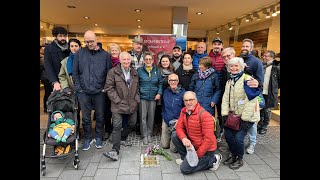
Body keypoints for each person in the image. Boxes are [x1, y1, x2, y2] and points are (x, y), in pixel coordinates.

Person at [72, 30, 112, 150]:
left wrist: (105, 88)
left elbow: (109, 73)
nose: (89, 43)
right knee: (85, 117)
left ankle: (99, 137)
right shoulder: (79, 54)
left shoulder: (105, 55)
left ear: (97, 39)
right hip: (84, 92)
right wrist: (79, 89)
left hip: (100, 92)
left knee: (100, 116)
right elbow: (75, 73)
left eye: (91, 41)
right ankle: (88, 138)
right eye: (87, 41)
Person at [221, 57, 260, 170]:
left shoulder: (248, 80)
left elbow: (251, 101)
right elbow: (225, 98)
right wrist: (224, 114)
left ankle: (239, 159)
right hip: (233, 116)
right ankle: (233, 156)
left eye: (236, 66)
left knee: (238, 138)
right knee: (228, 136)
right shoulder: (230, 81)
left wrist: (245, 119)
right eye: (231, 66)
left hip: (247, 117)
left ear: (242, 67)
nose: (233, 68)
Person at [172, 91, 222, 174]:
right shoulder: (184, 111)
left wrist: (197, 155)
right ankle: (186, 158)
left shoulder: (205, 115)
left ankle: (214, 159)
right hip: (194, 145)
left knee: (185, 169)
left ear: (196, 100)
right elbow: (179, 127)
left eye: (191, 100)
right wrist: (184, 138)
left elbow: (208, 140)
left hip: (206, 150)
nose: (188, 102)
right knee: (175, 136)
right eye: (186, 100)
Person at [103, 52, 140, 161]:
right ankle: (115, 150)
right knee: (117, 126)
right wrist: (117, 100)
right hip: (118, 105)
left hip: (132, 104)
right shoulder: (113, 72)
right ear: (120, 60)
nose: (126, 61)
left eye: (128, 59)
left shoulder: (134, 71)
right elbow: (108, 88)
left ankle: (122, 138)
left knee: (132, 123)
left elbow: (137, 87)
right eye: (124, 59)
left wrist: (137, 98)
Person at [239, 38, 264, 155]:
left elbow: (260, 81)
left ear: (251, 48)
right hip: (239, 95)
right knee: (241, 118)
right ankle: (241, 140)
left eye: (247, 46)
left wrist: (252, 80)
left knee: (252, 121)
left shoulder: (256, 62)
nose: (244, 48)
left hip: (251, 96)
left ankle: (252, 142)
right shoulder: (238, 60)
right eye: (243, 46)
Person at [137, 52, 163, 145]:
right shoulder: (139, 70)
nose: (148, 61)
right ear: (143, 61)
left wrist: (159, 93)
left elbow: (160, 83)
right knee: (143, 117)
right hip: (142, 97)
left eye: (150, 59)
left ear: (153, 60)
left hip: (153, 97)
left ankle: (149, 134)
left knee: (151, 117)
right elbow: (136, 84)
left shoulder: (157, 70)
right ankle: (144, 135)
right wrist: (138, 94)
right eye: (146, 59)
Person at [58, 38, 82, 136]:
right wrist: (65, 87)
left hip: (84, 90)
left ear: (80, 47)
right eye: (72, 46)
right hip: (71, 91)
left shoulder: (84, 59)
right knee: (74, 111)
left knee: (86, 112)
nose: (74, 48)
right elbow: (62, 76)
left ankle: (87, 131)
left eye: (76, 46)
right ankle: (75, 131)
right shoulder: (65, 61)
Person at [161, 73, 186, 152]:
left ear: (178, 81)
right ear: (168, 81)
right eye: (171, 80)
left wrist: (180, 121)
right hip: (166, 120)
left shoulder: (183, 93)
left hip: (177, 121)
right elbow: (163, 106)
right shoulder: (165, 92)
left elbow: (186, 109)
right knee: (164, 146)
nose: (173, 82)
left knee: (173, 149)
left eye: (175, 80)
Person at [258, 50, 280, 135]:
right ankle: (260, 124)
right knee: (260, 108)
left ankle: (265, 126)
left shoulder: (276, 66)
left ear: (271, 57)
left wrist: (274, 88)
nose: (263, 57)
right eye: (263, 56)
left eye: (266, 56)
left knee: (267, 110)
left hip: (270, 93)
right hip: (261, 92)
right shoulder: (262, 65)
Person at [104, 43, 122, 141]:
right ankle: (108, 129)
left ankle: (117, 129)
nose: (114, 52)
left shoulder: (122, 62)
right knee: (107, 111)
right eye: (112, 50)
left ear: (119, 52)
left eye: (116, 50)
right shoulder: (106, 61)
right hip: (109, 89)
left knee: (118, 111)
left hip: (119, 90)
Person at [44, 26, 70, 92]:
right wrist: (54, 81)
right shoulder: (49, 48)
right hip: (53, 80)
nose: (63, 38)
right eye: (60, 36)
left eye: (64, 36)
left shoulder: (69, 47)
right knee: (52, 99)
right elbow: (48, 65)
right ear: (55, 37)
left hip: (65, 80)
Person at [128, 35, 145, 135]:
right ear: (133, 44)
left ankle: (139, 126)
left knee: (141, 105)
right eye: (137, 44)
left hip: (142, 83)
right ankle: (130, 126)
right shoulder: (128, 54)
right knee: (131, 104)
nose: (138, 46)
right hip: (131, 84)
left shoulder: (146, 55)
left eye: (140, 44)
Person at [40, 45, 52, 113]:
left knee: (49, 93)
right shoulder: (41, 58)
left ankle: (49, 106)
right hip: (45, 77)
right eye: (43, 49)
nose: (44, 51)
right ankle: (46, 107)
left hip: (48, 77)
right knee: (47, 93)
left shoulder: (47, 57)